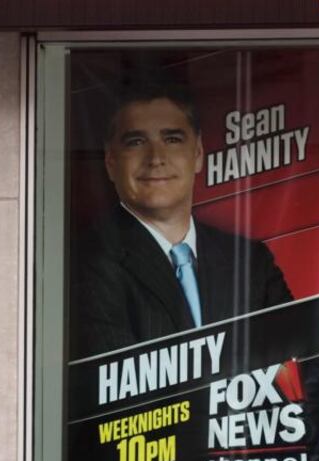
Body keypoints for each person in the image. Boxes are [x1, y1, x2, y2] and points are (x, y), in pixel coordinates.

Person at [70, 78, 292, 359]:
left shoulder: (251, 263)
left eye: (172, 139)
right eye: (136, 142)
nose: (156, 158)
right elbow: (121, 394)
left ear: (198, 153)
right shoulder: (85, 264)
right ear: (110, 160)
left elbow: (299, 367)